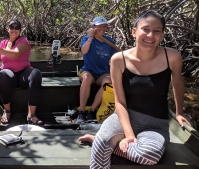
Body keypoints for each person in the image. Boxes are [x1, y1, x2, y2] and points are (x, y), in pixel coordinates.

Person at [79, 10, 193, 169]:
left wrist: (179, 112)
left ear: (162, 35)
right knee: (101, 144)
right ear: (134, 32)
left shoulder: (172, 57)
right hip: (122, 117)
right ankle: (100, 140)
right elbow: (120, 101)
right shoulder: (119, 60)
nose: (150, 35)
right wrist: (130, 135)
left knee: (148, 155)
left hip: (155, 124)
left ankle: (105, 142)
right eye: (145, 29)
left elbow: (178, 83)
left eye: (156, 31)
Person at [0, 19, 43, 125]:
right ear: (8, 29)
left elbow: (16, 54)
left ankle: (31, 114)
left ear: (20, 30)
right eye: (12, 27)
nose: (14, 30)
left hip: (24, 74)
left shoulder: (23, 41)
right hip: (9, 76)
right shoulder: (3, 43)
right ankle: (7, 110)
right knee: (1, 75)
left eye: (17, 28)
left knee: (36, 73)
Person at [77, 16, 117, 123]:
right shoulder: (87, 38)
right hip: (88, 70)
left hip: (103, 73)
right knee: (86, 78)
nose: (102, 29)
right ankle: (81, 111)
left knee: (108, 80)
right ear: (93, 27)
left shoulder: (109, 41)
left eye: (104, 26)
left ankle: (91, 110)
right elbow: (84, 51)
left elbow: (116, 57)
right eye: (99, 26)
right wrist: (90, 38)